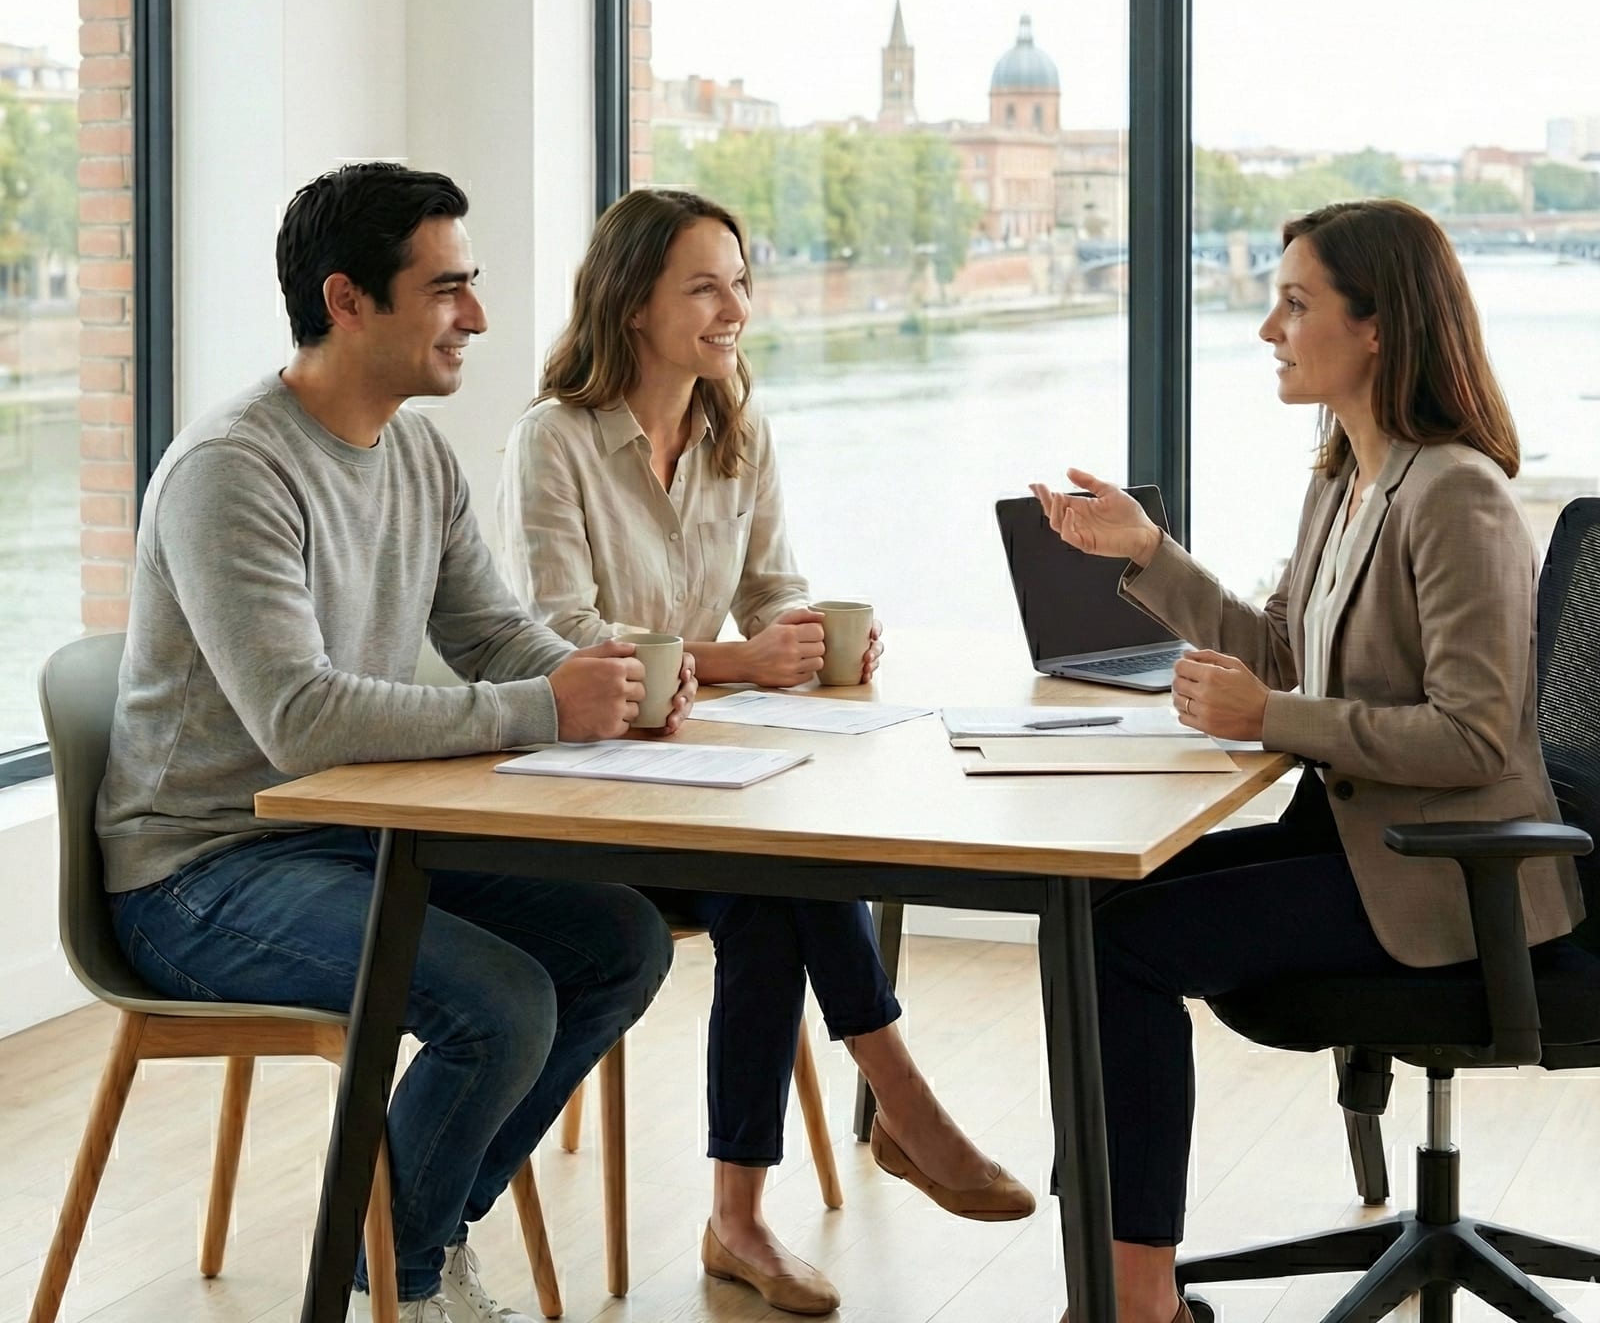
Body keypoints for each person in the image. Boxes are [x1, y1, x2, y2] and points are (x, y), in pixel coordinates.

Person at [97, 163, 695, 1323]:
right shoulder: (235, 470)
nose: (475, 316)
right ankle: (400, 1277)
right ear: (348, 299)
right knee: (501, 1003)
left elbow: (491, 635)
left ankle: (406, 1233)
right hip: (199, 869)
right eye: (447, 289)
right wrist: (547, 708)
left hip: (346, 838)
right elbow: (302, 718)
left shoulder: (418, 455)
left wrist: (611, 683)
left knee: (618, 939)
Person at [1030, 198, 1585, 1323]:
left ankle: (1133, 1299)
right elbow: (1284, 650)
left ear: (1376, 327)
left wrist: (1272, 718)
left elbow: (1474, 733)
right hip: (1361, 845)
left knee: (1121, 949)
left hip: (1450, 881)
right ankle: (1122, 1266)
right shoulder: (1343, 478)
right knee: (1084, 908)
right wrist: (1149, 552)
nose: (1266, 327)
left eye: (1296, 303)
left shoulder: (1458, 494)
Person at [498, 187, 1033, 1316]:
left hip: (703, 778)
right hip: (587, 795)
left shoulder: (737, 416)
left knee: (774, 877)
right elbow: (559, 635)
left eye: (741, 280)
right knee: (774, 871)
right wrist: (740, 663)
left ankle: (743, 1218)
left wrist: (818, 635)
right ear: (633, 302)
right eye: (706, 284)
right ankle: (897, 1099)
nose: (736, 306)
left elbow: (774, 588)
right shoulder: (551, 443)